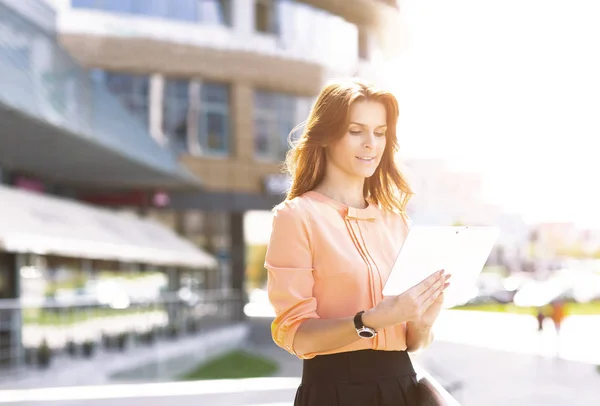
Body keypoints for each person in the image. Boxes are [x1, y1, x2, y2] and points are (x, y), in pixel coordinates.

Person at [265, 78, 452, 406]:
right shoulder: (296, 217)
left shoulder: (396, 221)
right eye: (356, 131)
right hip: (334, 392)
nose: (371, 144)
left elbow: (412, 343)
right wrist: (369, 321)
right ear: (326, 136)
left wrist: (422, 322)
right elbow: (295, 334)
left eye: (380, 133)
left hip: (402, 389)